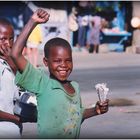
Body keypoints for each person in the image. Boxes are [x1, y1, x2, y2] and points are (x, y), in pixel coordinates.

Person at [11, 9, 109, 138]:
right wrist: (33, 22)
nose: (63, 65)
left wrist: (95, 110)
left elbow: (75, 115)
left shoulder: (75, 87)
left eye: (68, 60)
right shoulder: (42, 83)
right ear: (46, 62)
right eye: (57, 61)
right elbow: (15, 54)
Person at [0, 18, 22, 138]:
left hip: (14, 130)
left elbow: (25, 91)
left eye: (11, 38)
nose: (8, 44)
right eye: (3, 39)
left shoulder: (15, 62)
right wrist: (16, 118)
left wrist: (13, 65)